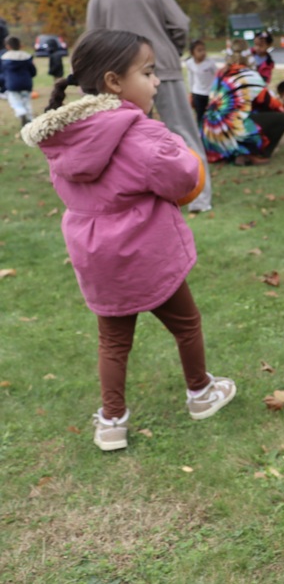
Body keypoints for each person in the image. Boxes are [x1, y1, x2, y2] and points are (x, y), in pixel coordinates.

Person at [20, 29, 236, 452]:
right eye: (148, 72)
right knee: (186, 323)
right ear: (114, 82)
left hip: (97, 258)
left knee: (114, 341)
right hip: (148, 254)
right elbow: (183, 178)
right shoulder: (139, 134)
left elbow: (68, 189)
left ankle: (112, 422)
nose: (156, 82)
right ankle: (200, 392)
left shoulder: (67, 135)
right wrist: (174, 143)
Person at [87, 0, 212, 213]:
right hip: (162, 67)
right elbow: (180, 24)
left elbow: (93, 40)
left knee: (123, 135)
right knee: (183, 130)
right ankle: (199, 199)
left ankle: (133, 196)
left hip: (118, 77)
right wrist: (169, 51)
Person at [202, 39, 284, 166]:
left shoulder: (221, 73)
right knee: (282, 119)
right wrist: (283, 108)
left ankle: (236, 153)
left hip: (211, 129)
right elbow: (269, 102)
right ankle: (255, 154)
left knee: (244, 115)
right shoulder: (250, 75)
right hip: (232, 126)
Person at [1, 36, 37, 127]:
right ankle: (29, 121)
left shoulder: (4, 58)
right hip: (26, 83)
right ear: (20, 45)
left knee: (15, 102)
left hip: (12, 84)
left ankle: (21, 112)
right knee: (27, 102)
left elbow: (2, 74)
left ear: (7, 46)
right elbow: (33, 72)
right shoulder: (27, 57)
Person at [183, 39, 217, 130]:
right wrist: (191, 93)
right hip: (197, 93)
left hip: (210, 93)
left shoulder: (210, 63)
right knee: (200, 115)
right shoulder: (189, 63)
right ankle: (200, 132)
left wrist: (216, 90)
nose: (202, 52)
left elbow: (217, 76)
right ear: (193, 53)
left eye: (203, 50)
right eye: (199, 50)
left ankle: (211, 132)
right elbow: (190, 78)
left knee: (211, 115)